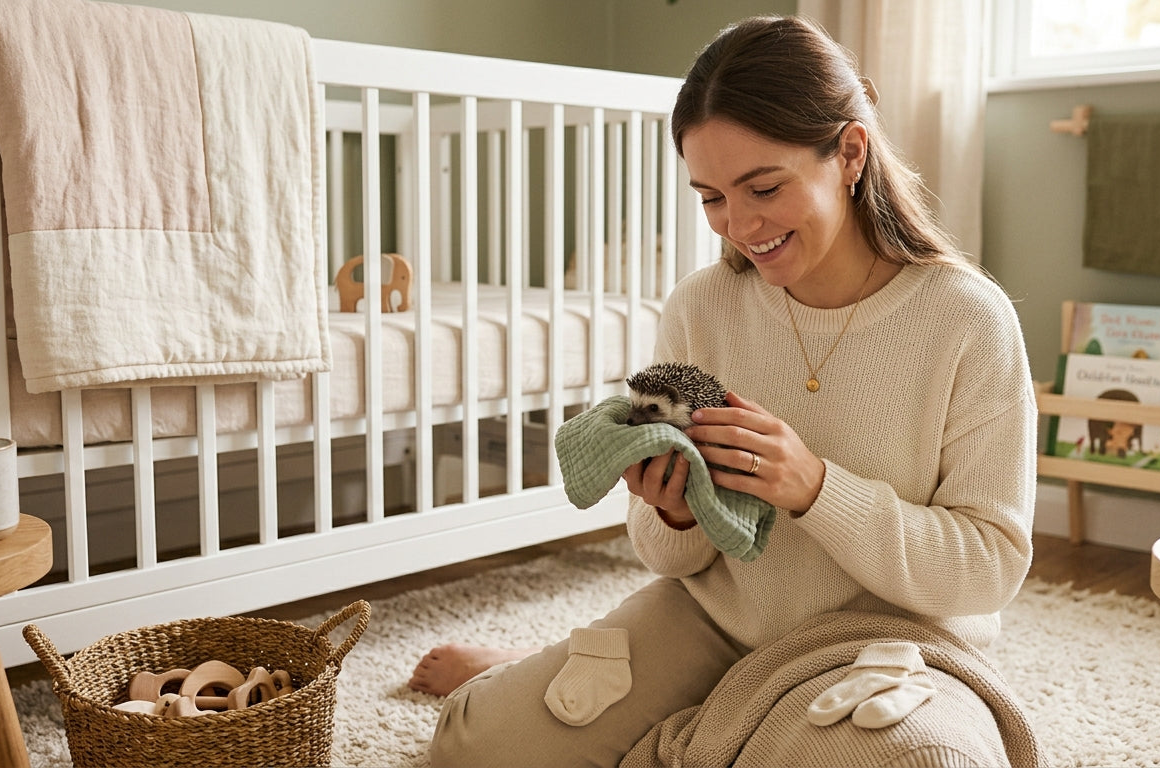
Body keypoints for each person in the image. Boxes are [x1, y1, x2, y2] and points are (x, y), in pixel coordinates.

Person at [410, 14, 1036, 767]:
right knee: (476, 746)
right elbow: (667, 560)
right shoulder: (700, 308)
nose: (739, 226)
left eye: (763, 187)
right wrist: (675, 513)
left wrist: (815, 488)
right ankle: (553, 675)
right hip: (711, 621)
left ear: (849, 154)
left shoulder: (966, 320)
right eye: (710, 197)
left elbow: (988, 567)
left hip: (885, 643)